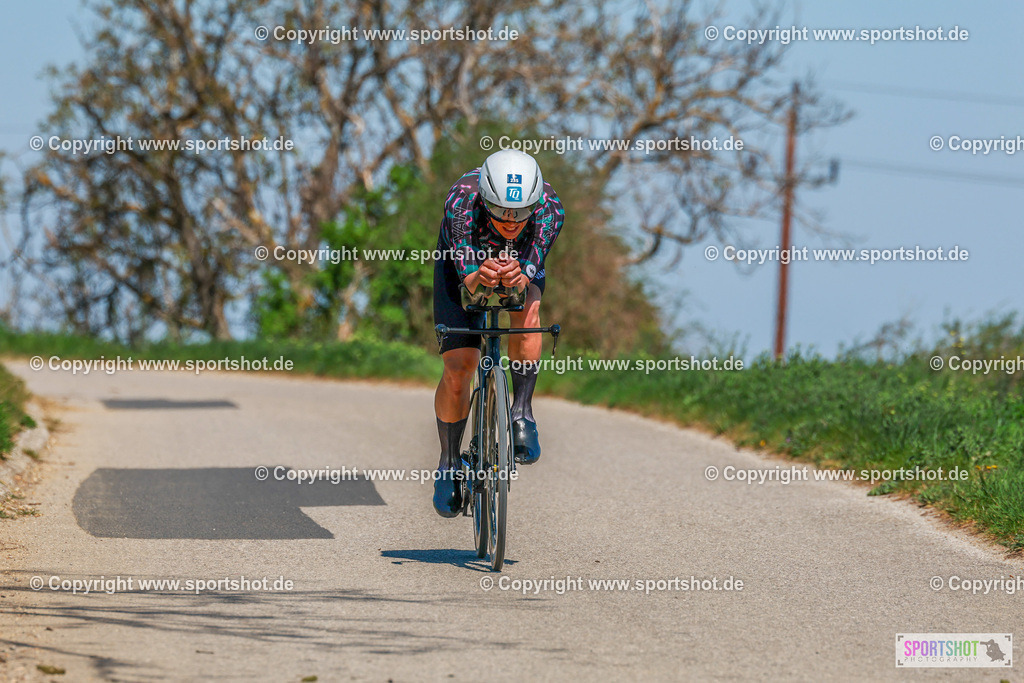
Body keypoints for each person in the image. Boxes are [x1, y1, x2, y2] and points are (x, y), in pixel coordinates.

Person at [431, 149, 564, 517]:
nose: (510, 221)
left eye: (521, 214)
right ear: (485, 199)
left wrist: (518, 275)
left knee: (528, 307)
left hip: (519, 260)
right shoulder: (461, 202)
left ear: (534, 205)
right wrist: (478, 275)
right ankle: (449, 462)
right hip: (463, 259)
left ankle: (522, 412)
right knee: (461, 364)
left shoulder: (551, 210)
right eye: (501, 210)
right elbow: (469, 283)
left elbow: (531, 272)